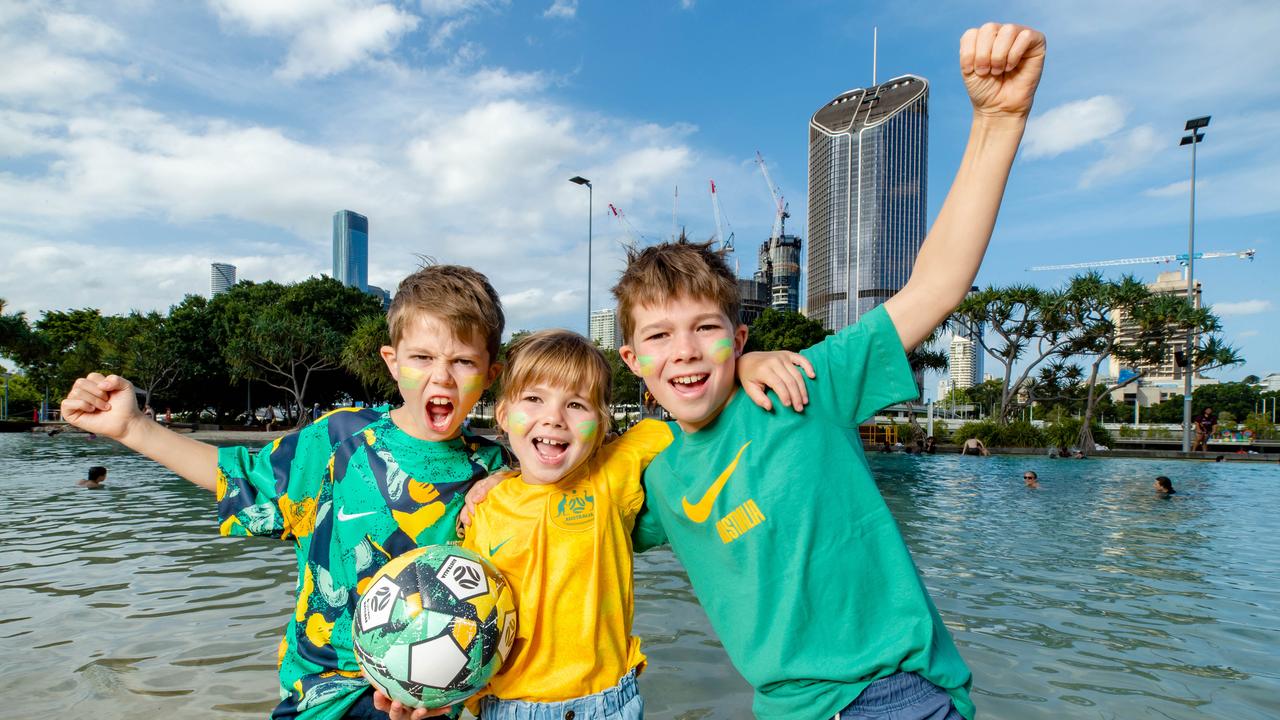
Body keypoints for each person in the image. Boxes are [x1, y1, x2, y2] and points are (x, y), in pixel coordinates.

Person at [616, 22, 1044, 720]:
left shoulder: (804, 383)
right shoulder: (651, 476)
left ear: (740, 335)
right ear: (632, 361)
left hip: (895, 695)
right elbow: (560, 516)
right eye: (659, 337)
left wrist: (998, 121)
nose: (685, 351)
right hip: (784, 709)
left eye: (706, 331)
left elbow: (933, 288)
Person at [61, 264, 514, 719]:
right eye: (422, 357)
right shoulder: (338, 439)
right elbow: (237, 476)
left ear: (490, 373)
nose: (442, 377)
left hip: (432, 705)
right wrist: (133, 428)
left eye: (463, 361)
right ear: (392, 361)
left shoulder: (496, 473)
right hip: (322, 698)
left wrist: (512, 482)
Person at [436, 330, 809, 720]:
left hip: (608, 705)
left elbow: (694, 417)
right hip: (505, 708)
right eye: (533, 399)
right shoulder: (484, 507)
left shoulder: (610, 473)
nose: (553, 418)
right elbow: (470, 620)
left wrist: (743, 365)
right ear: (503, 414)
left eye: (576, 405)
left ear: (600, 424)